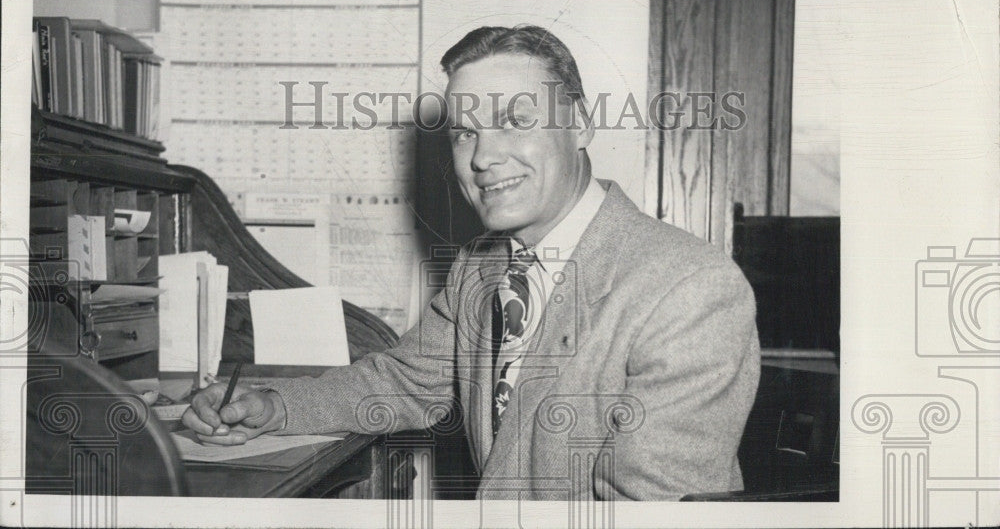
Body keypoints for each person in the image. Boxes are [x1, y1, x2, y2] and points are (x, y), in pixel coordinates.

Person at [182, 25, 760, 500]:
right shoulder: (481, 267)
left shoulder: (690, 287)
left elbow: (655, 511)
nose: (483, 157)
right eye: (465, 133)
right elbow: (405, 381)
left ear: (581, 123)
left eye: (515, 120)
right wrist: (271, 408)